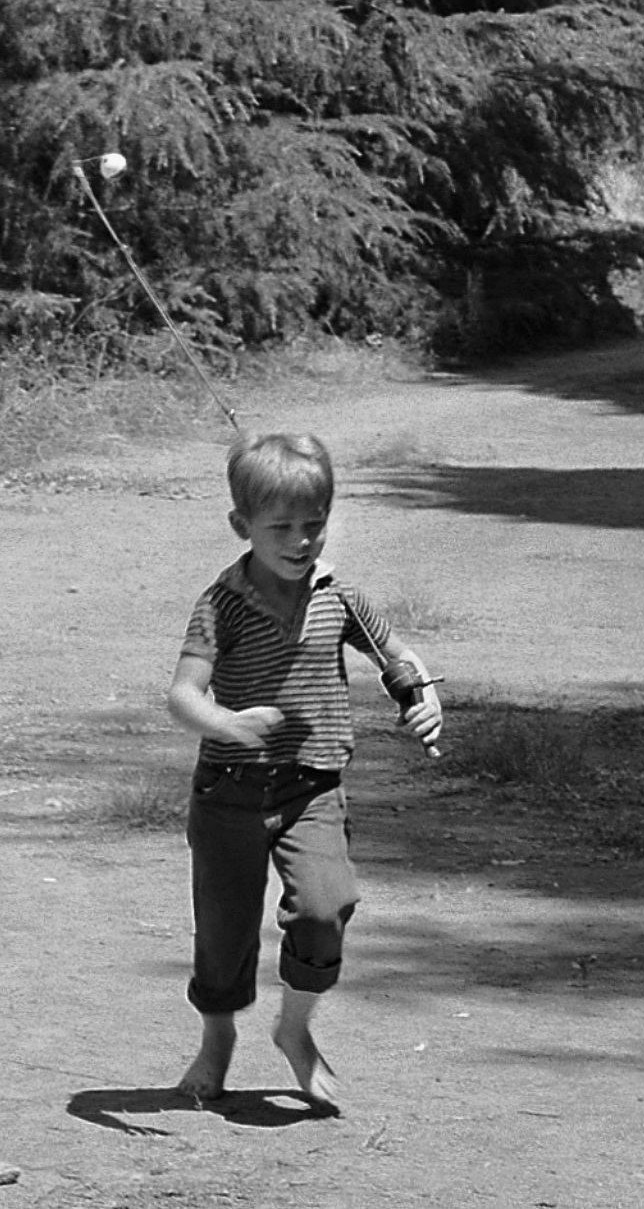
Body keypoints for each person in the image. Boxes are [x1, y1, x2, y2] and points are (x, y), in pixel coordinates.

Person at [165, 432, 442, 1107]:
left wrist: (424, 697)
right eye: (280, 527)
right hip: (228, 792)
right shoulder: (221, 603)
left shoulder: (338, 596)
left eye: (313, 524)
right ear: (242, 526)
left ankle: (293, 1030)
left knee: (325, 907)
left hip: (310, 788)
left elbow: (397, 657)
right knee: (224, 931)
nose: (300, 541)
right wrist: (224, 722)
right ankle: (216, 1038)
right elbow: (181, 695)